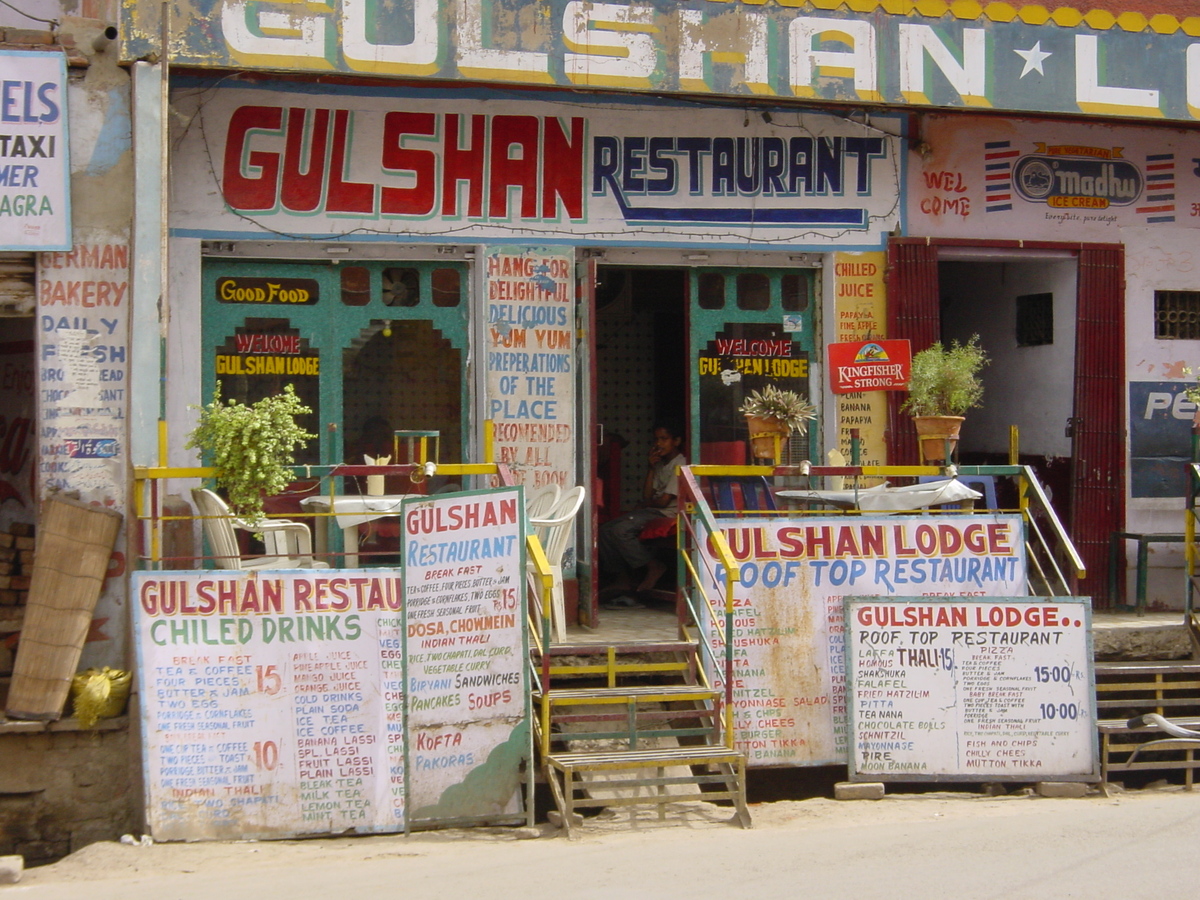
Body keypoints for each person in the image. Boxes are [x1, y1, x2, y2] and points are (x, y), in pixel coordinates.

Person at [599, 421, 685, 605]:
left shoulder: (680, 464)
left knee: (620, 530)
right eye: (657, 439)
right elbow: (646, 494)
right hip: (653, 510)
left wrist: (646, 503)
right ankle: (621, 578)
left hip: (666, 513)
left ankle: (653, 566)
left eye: (664, 439)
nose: (659, 444)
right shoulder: (662, 464)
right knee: (605, 529)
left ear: (676, 441)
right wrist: (651, 468)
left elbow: (662, 501)